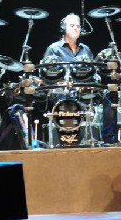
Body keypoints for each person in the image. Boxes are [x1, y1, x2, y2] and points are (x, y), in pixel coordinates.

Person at [40, 13, 98, 146]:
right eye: (72, 26)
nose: (76, 28)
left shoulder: (86, 50)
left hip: (83, 96)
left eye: (78, 26)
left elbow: (93, 73)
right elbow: (45, 75)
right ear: (63, 28)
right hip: (61, 96)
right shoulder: (54, 49)